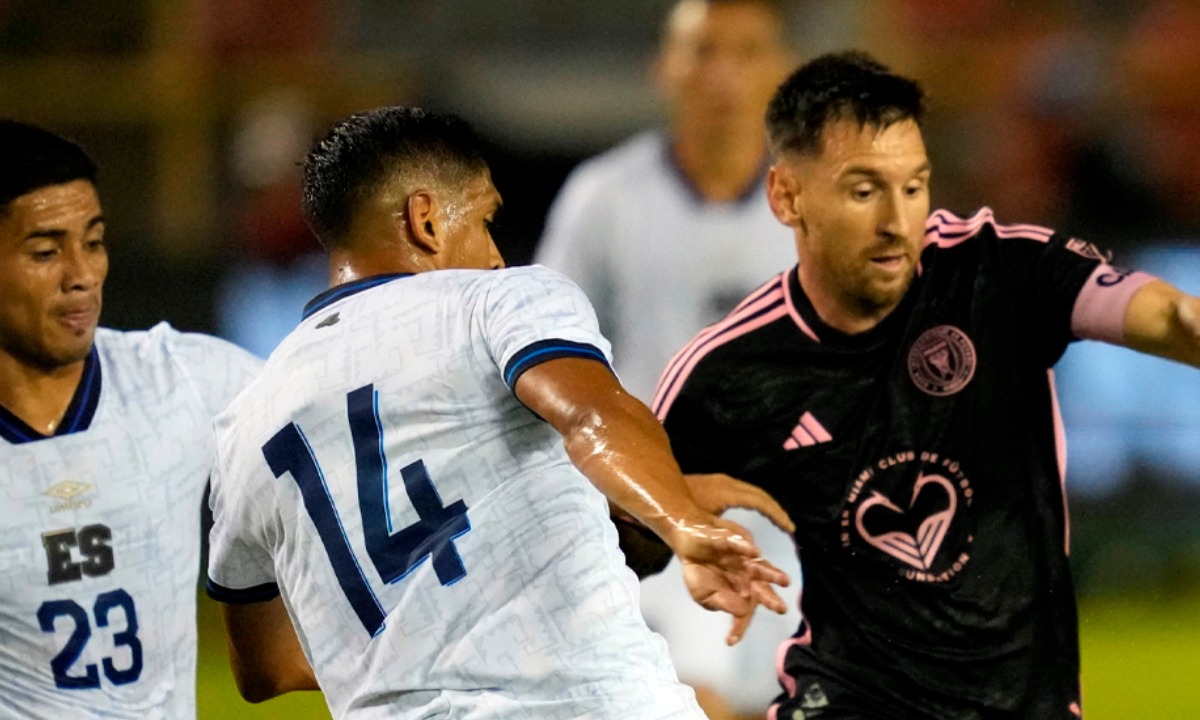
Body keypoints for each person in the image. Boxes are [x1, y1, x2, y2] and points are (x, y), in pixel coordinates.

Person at [645, 52, 1200, 719]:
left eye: (913, 187)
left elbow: (1166, 315)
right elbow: (619, 523)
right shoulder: (728, 370)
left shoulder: (998, 273)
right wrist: (678, 526)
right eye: (862, 190)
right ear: (787, 196)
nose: (896, 220)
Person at [204, 106, 795, 719]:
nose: (493, 254)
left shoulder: (245, 420)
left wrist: (413, 647)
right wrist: (679, 519)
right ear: (424, 219)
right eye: (485, 220)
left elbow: (264, 667)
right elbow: (593, 418)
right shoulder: (498, 301)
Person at [535, 2, 800, 716]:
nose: (724, 76)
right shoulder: (605, 199)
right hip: (653, 515)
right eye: (704, 50)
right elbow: (541, 362)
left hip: (796, 511)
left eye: (747, 53)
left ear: (780, 71)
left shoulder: (819, 205)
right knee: (691, 698)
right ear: (666, 67)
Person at [0, 120, 263, 718]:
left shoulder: (182, 380)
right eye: (45, 251)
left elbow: (339, 417)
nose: (81, 275)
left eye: (92, 242)